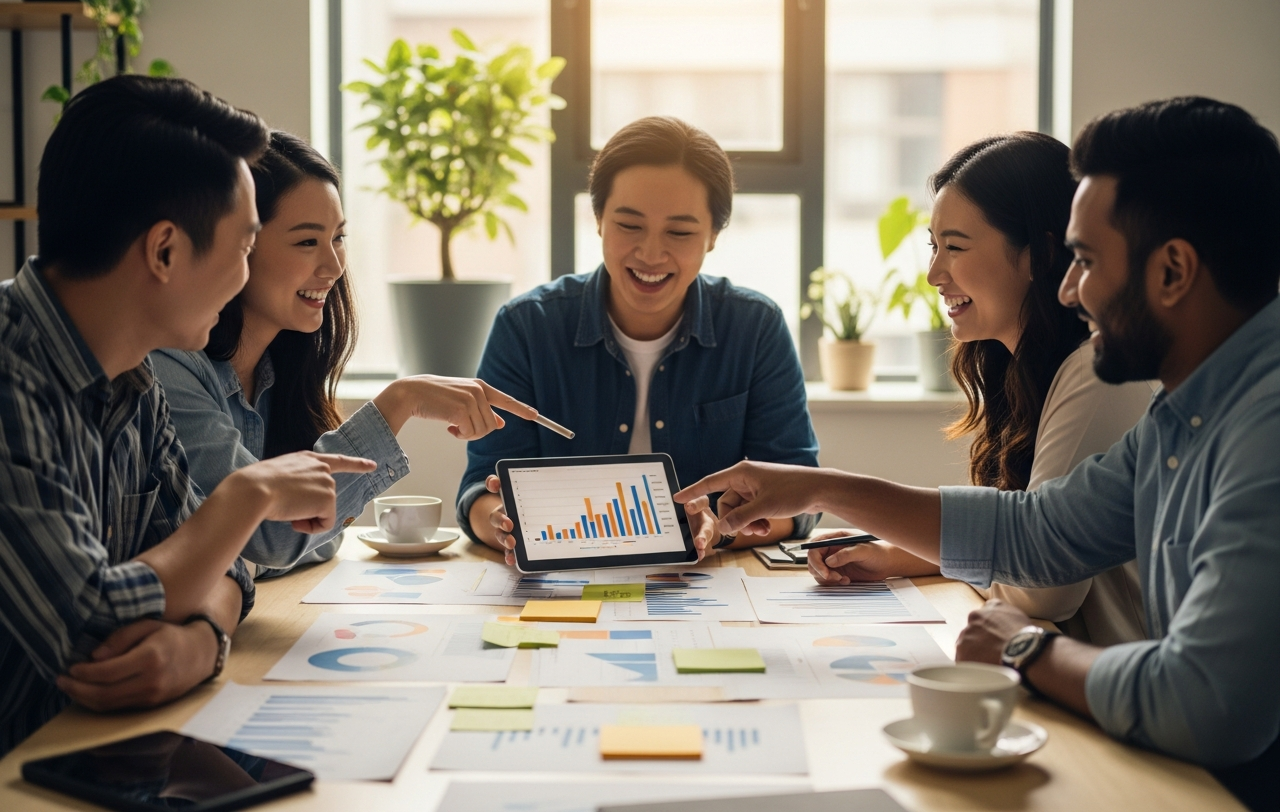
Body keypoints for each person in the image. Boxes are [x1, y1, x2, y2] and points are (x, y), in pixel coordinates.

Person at [673, 96, 1280, 808]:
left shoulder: (1262, 431)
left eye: (1084, 261)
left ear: (1172, 272)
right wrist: (819, 488)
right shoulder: (1189, 413)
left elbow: (1204, 706)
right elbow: (1039, 532)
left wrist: (1026, 647)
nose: (1067, 288)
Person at [0, 76, 375, 755]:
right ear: (166, 251)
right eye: (243, 246)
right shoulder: (10, 377)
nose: (241, 275)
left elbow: (227, 570)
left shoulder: (133, 377)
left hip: (85, 752)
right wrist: (246, 494)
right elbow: (90, 624)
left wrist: (199, 643)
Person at [814, 133, 1153, 646]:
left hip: (1113, 691)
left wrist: (825, 490)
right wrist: (895, 552)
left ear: (1038, 253)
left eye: (955, 247)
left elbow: (1043, 588)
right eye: (934, 246)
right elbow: (1021, 542)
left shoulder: (1096, 374)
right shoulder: (1025, 368)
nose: (933, 274)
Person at [151, 132, 536, 578]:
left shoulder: (282, 370)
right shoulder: (172, 370)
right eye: (306, 242)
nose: (334, 266)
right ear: (239, 246)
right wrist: (399, 402)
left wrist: (271, 550)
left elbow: (318, 537)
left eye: (338, 238)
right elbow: (276, 538)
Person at [458, 116, 819, 563]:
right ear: (598, 220)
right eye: (629, 225)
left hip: (704, 585)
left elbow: (799, 496)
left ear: (713, 237)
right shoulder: (526, 326)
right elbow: (480, 489)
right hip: (563, 582)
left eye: (680, 233)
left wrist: (718, 532)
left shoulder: (756, 328)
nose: (650, 253)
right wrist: (503, 526)